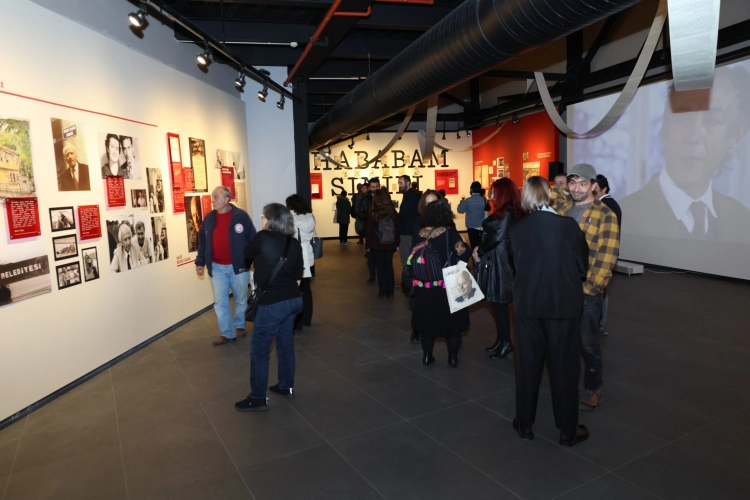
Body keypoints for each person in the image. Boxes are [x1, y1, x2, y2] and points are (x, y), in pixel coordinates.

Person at [619, 70, 750, 243]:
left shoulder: (742, 220)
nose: (693, 137)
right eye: (682, 119)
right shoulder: (621, 217)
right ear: (666, 129)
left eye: (712, 121)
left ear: (736, 138)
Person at [509, 176, 590, 446]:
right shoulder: (568, 226)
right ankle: (567, 431)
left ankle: (525, 424)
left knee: (527, 366)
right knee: (565, 368)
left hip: (528, 306)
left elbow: (516, 265)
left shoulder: (516, 228)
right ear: (549, 194)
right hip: (562, 306)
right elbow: (582, 268)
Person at [551, 163, 620, 412]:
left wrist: (590, 289)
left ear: (593, 186)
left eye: (583, 183)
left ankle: (593, 387)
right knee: (565, 342)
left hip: (586, 291)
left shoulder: (605, 215)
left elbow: (607, 257)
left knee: (588, 344)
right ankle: (571, 382)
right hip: (562, 289)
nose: (576, 188)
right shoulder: (563, 208)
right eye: (572, 183)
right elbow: (553, 191)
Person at [235, 203, 304, 413]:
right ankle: (285, 386)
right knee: (285, 345)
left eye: (263, 216)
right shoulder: (293, 243)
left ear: (270, 219)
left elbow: (246, 253)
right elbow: (298, 276)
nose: (262, 219)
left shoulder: (262, 237)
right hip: (293, 300)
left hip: (273, 303)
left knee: (259, 351)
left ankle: (257, 398)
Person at [411, 199, 470, 368]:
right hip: (446, 287)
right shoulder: (449, 232)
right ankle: (453, 358)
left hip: (424, 287)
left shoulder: (420, 233)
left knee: (427, 326)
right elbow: (464, 253)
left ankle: (427, 356)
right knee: (452, 326)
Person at [196, 186, 257, 346]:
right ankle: (227, 333)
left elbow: (253, 239)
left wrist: (254, 260)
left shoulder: (240, 216)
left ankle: (239, 325)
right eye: (212, 197)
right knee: (220, 301)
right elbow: (203, 242)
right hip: (216, 267)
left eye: (216, 197)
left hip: (239, 266)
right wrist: (200, 262)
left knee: (240, 299)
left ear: (227, 199)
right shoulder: (209, 219)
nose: (213, 200)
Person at [473, 178, 521, 360]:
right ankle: (502, 340)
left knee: (499, 304)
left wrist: (480, 249)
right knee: (496, 304)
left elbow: (496, 237)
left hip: (501, 264)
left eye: (494, 192)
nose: (491, 195)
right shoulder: (508, 211)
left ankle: (506, 342)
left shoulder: (507, 213)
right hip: (497, 261)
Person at [593, 174, 622, 336]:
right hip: (605, 253)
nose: (592, 190)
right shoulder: (609, 204)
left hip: (603, 253)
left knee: (601, 289)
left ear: (603, 189)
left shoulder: (606, 206)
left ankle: (601, 323)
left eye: (595, 187)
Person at [286, 194, 316, 331]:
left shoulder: (290, 218)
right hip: (308, 254)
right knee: (306, 288)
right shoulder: (310, 216)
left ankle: (297, 322)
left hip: (295, 255)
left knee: (294, 290)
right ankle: (307, 318)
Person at [366, 190, 401, 298]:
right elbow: (397, 228)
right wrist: (397, 243)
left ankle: (383, 292)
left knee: (380, 268)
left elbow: (369, 231)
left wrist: (368, 245)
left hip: (377, 244)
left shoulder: (373, 213)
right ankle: (390, 291)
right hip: (390, 244)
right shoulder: (392, 212)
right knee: (389, 266)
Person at [397, 175, 420, 275]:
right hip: (409, 231)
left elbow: (405, 215)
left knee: (406, 257)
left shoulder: (410, 196)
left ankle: (408, 279)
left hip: (407, 232)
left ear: (408, 183)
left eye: (401, 183)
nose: (399, 185)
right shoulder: (411, 195)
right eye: (399, 183)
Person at [457, 181, 487, 257]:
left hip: (471, 226)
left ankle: (475, 261)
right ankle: (481, 260)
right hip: (482, 225)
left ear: (471, 189)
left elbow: (460, 210)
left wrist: (461, 202)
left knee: (473, 245)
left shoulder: (467, 201)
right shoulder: (484, 200)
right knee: (481, 245)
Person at [361, 178, 381, 285]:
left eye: (376, 186)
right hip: (370, 230)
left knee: (382, 255)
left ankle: (382, 275)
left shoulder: (384, 198)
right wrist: (370, 217)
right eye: (373, 187)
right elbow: (360, 213)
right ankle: (372, 276)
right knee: (371, 254)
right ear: (369, 188)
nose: (375, 189)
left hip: (382, 231)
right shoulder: (365, 199)